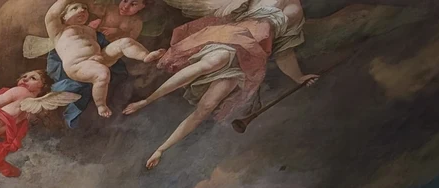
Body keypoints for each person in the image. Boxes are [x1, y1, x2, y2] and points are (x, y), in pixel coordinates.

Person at [123, 0, 317, 168]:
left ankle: (160, 149)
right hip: (232, 38)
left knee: (206, 107)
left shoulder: (295, 12)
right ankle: (146, 101)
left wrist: (298, 77)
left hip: (248, 61)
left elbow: (284, 52)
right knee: (211, 62)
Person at [43, 0, 162, 118]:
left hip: (97, 58)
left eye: (84, 8)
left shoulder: (90, 30)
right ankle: (101, 104)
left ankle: (145, 56)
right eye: (75, 8)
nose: (82, 10)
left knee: (125, 43)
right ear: (63, 16)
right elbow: (52, 15)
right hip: (77, 65)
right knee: (102, 73)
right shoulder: (58, 31)